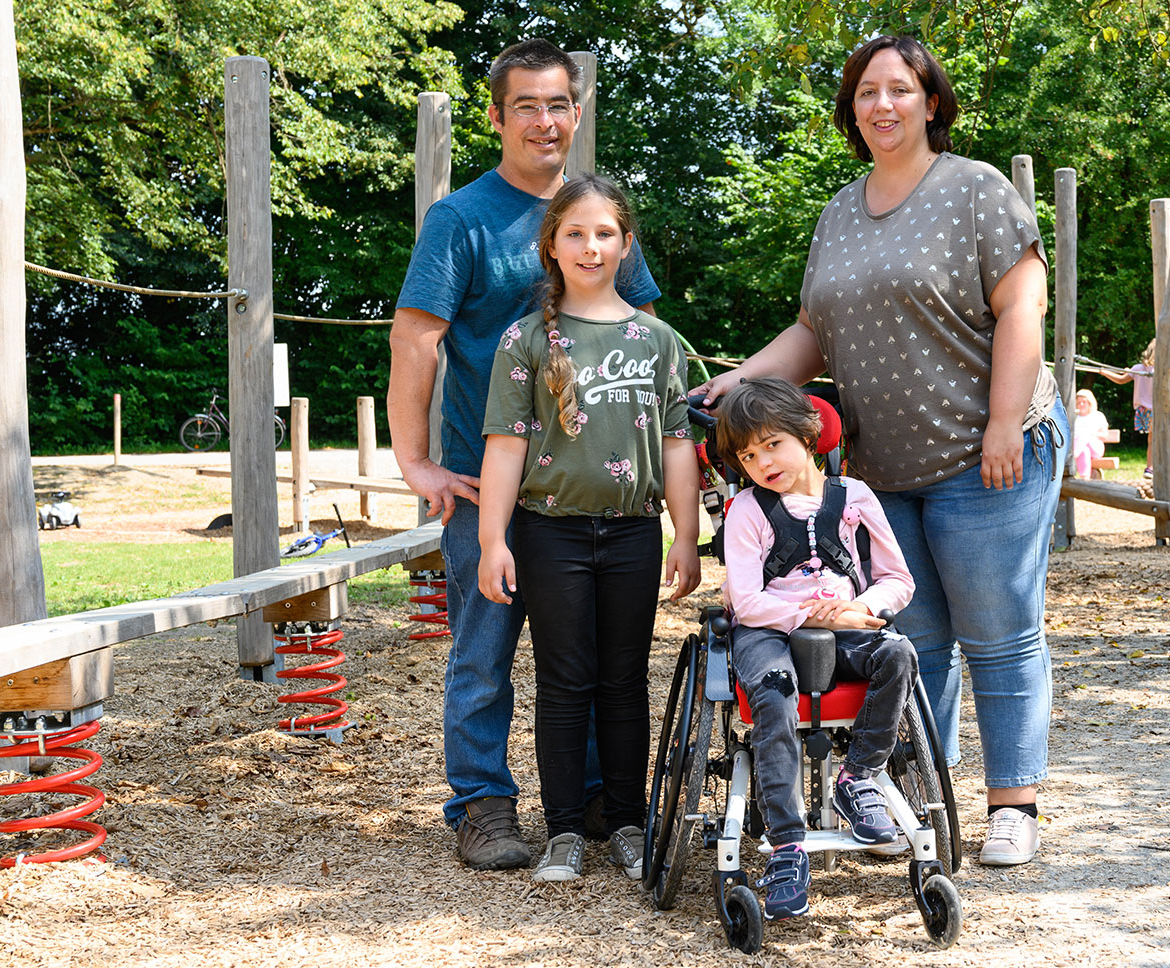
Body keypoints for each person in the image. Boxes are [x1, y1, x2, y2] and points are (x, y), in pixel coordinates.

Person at [696, 35, 1062, 866]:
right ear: (851, 109)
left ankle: (1015, 804)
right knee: (911, 633)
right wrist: (735, 384)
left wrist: (1006, 420)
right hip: (882, 467)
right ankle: (902, 791)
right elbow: (814, 334)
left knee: (997, 630)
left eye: (900, 89)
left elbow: (1023, 305)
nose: (883, 105)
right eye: (867, 92)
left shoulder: (977, 190)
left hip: (987, 451)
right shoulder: (838, 211)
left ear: (931, 101)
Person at [388, 38, 663, 871]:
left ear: (576, 114)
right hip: (492, 485)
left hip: (591, 491)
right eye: (526, 106)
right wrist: (416, 460)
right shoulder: (462, 219)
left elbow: (643, 335)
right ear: (499, 116)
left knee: (585, 661)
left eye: (557, 105)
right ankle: (483, 803)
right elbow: (416, 339)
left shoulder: (595, 214)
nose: (544, 121)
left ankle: (584, 809)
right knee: (485, 652)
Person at [477, 176, 700, 882]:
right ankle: (566, 832)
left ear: (625, 244)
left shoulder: (658, 341)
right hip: (552, 534)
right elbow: (506, 445)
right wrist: (491, 540)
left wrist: (687, 536)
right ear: (551, 246)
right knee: (565, 682)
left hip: (634, 533)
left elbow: (675, 447)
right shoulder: (524, 342)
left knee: (625, 681)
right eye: (575, 232)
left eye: (605, 233)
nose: (591, 245)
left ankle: (629, 823)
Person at [714, 377, 918, 920]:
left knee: (897, 654)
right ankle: (786, 842)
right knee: (775, 696)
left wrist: (864, 608)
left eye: (772, 444)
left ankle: (859, 776)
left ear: (808, 435)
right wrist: (806, 611)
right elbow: (747, 600)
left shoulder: (854, 497)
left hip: (846, 628)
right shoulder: (746, 510)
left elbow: (898, 578)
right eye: (748, 454)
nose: (762, 462)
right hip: (768, 632)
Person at [1103, 339, 1170, 469]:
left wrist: (1104, 372)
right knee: (1164, 438)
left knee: (1151, 441)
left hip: (1143, 410)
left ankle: (1150, 467)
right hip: (1157, 409)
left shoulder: (1137, 368)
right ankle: (1160, 466)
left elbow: (1121, 380)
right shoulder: (1162, 371)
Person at [1071, 389, 1110, 478]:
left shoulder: (1098, 416)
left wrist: (1091, 435)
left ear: (1089, 403)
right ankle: (1084, 478)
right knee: (1084, 451)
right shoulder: (1074, 417)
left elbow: (1105, 436)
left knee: (1084, 435)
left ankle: (1073, 456)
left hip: (1095, 448)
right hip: (1081, 448)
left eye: (1084, 402)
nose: (1081, 405)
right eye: (1078, 402)